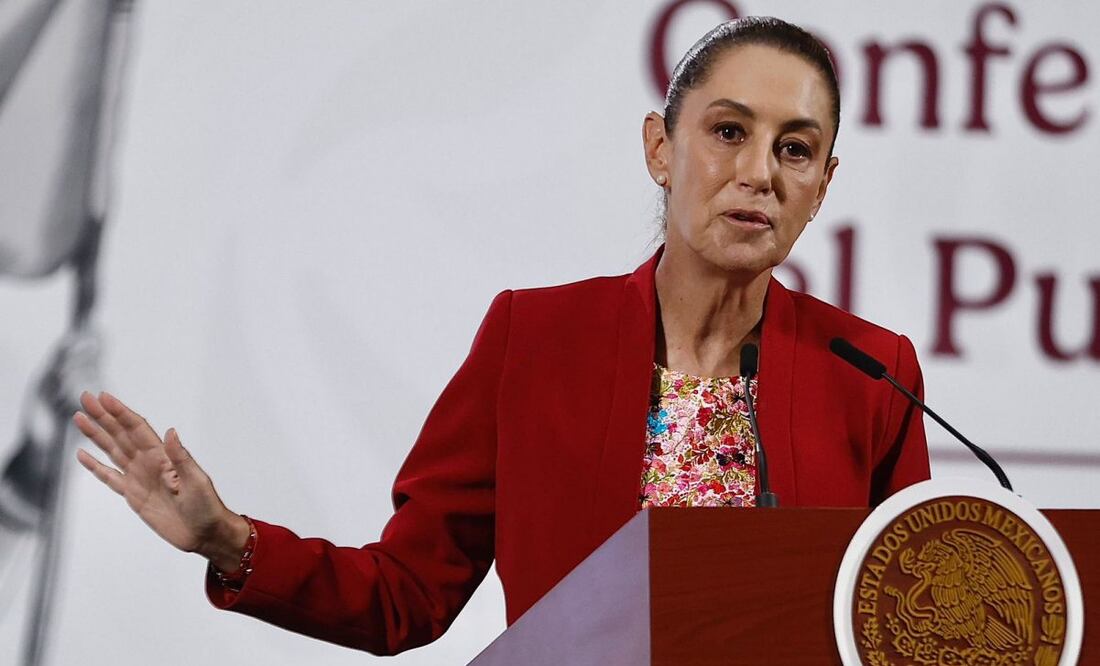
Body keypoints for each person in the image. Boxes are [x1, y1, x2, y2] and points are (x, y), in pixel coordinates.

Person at [72, 16, 929, 657]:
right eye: (729, 132)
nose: (758, 174)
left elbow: (904, 626)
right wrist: (230, 541)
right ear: (661, 149)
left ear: (822, 186)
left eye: (795, 149)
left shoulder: (871, 374)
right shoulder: (538, 339)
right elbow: (406, 595)